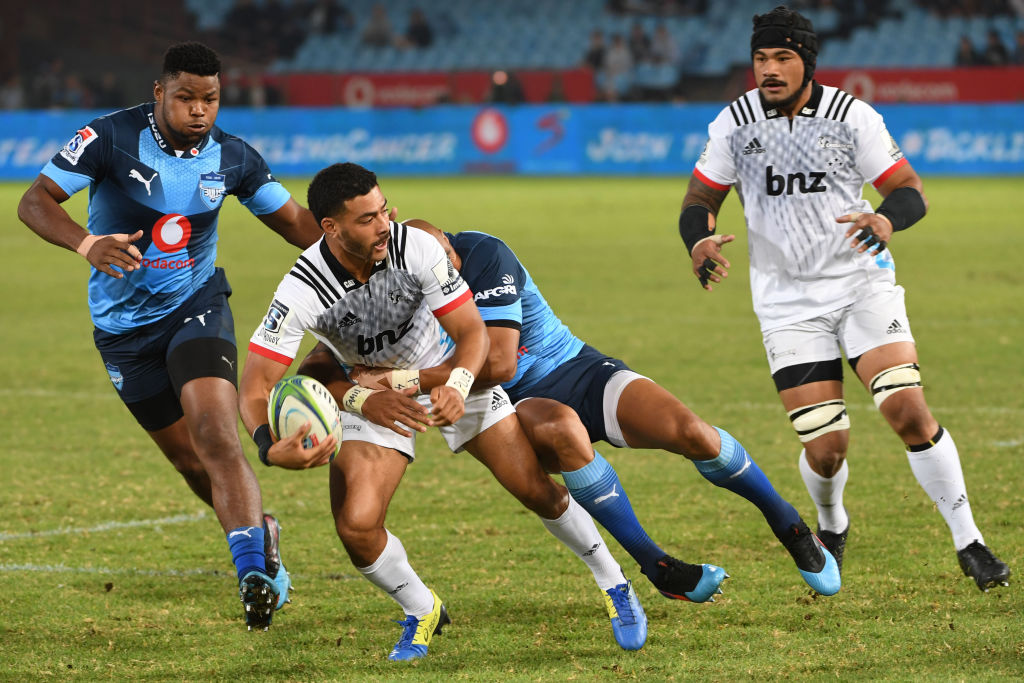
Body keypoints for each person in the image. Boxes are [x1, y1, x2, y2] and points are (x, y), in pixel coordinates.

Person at [239, 162, 651, 660]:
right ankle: (421, 608)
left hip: (446, 370)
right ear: (331, 227)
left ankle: (615, 584)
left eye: (383, 209)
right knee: (357, 526)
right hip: (371, 393)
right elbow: (256, 385)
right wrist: (267, 445)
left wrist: (457, 381)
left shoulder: (416, 247)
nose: (384, 224)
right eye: (367, 219)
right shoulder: (302, 289)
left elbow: (473, 333)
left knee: (533, 487)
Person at [677, 6, 1009, 591]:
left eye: (783, 58)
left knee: (907, 409)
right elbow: (699, 198)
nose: (770, 70)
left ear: (807, 61)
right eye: (761, 59)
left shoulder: (852, 117)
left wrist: (884, 221)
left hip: (862, 284)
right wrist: (699, 238)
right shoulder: (735, 123)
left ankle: (970, 542)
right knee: (827, 449)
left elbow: (909, 191)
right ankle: (832, 521)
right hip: (785, 304)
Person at [345, 221, 840, 600]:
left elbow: (496, 361)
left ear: (451, 246)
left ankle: (790, 525)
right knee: (563, 432)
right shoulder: (397, 290)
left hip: (578, 368)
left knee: (692, 432)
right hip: (511, 406)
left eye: (447, 258)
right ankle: (656, 566)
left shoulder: (484, 253)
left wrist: (404, 379)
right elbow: (349, 347)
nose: (446, 273)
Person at [16, 42, 324, 630]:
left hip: (197, 306)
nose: (199, 110)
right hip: (124, 331)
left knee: (216, 434)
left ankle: (254, 573)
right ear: (160, 92)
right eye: (186, 97)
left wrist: (357, 258)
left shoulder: (234, 158)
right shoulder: (107, 137)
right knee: (190, 464)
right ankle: (264, 533)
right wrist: (87, 243)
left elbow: (296, 225)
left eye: (209, 98)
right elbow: (36, 202)